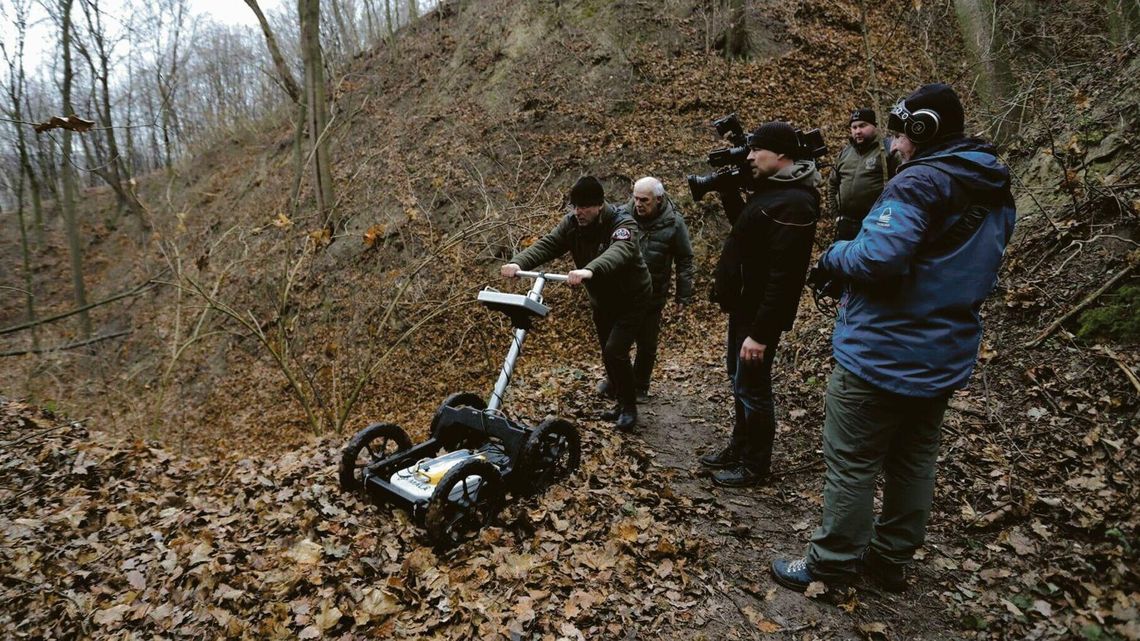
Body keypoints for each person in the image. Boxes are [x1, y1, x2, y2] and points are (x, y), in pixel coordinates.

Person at [772, 83, 1017, 593]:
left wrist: (834, 254)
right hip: (944, 351)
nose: (893, 146)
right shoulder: (993, 184)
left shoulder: (920, 183)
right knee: (914, 460)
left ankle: (833, 563)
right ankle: (889, 560)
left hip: (882, 350)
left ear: (923, 130)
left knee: (853, 460)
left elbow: (879, 256)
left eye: (901, 134)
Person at [699, 122, 821, 487]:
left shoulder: (796, 202)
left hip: (759, 315)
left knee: (753, 387)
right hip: (744, 306)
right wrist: (728, 192)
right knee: (740, 381)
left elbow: (785, 279)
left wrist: (761, 334)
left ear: (781, 154)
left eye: (757, 150)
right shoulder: (773, 191)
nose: (749, 156)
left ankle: (755, 465)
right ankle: (739, 447)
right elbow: (746, 229)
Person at [501, 175, 652, 431]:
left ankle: (629, 407)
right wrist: (519, 263)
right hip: (602, 300)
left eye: (584, 207)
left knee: (616, 350)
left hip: (632, 298)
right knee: (608, 351)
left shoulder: (622, 223)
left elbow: (619, 251)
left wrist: (589, 270)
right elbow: (549, 244)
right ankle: (618, 400)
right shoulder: (571, 224)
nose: (578, 212)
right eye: (575, 207)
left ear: (599, 205)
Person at [596, 177, 695, 400]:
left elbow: (684, 260)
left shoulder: (674, 223)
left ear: (658, 200)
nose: (639, 204)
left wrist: (683, 296)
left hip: (653, 294)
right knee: (615, 344)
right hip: (622, 292)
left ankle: (640, 385)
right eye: (636, 198)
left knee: (646, 344)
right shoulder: (621, 216)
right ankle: (615, 382)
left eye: (645, 200)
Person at [828, 108, 898, 242]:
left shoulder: (887, 152)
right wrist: (836, 215)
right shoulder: (845, 153)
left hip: (873, 224)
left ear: (874, 126)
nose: (857, 131)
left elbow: (899, 186)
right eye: (854, 127)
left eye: (862, 126)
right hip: (845, 224)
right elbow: (832, 184)